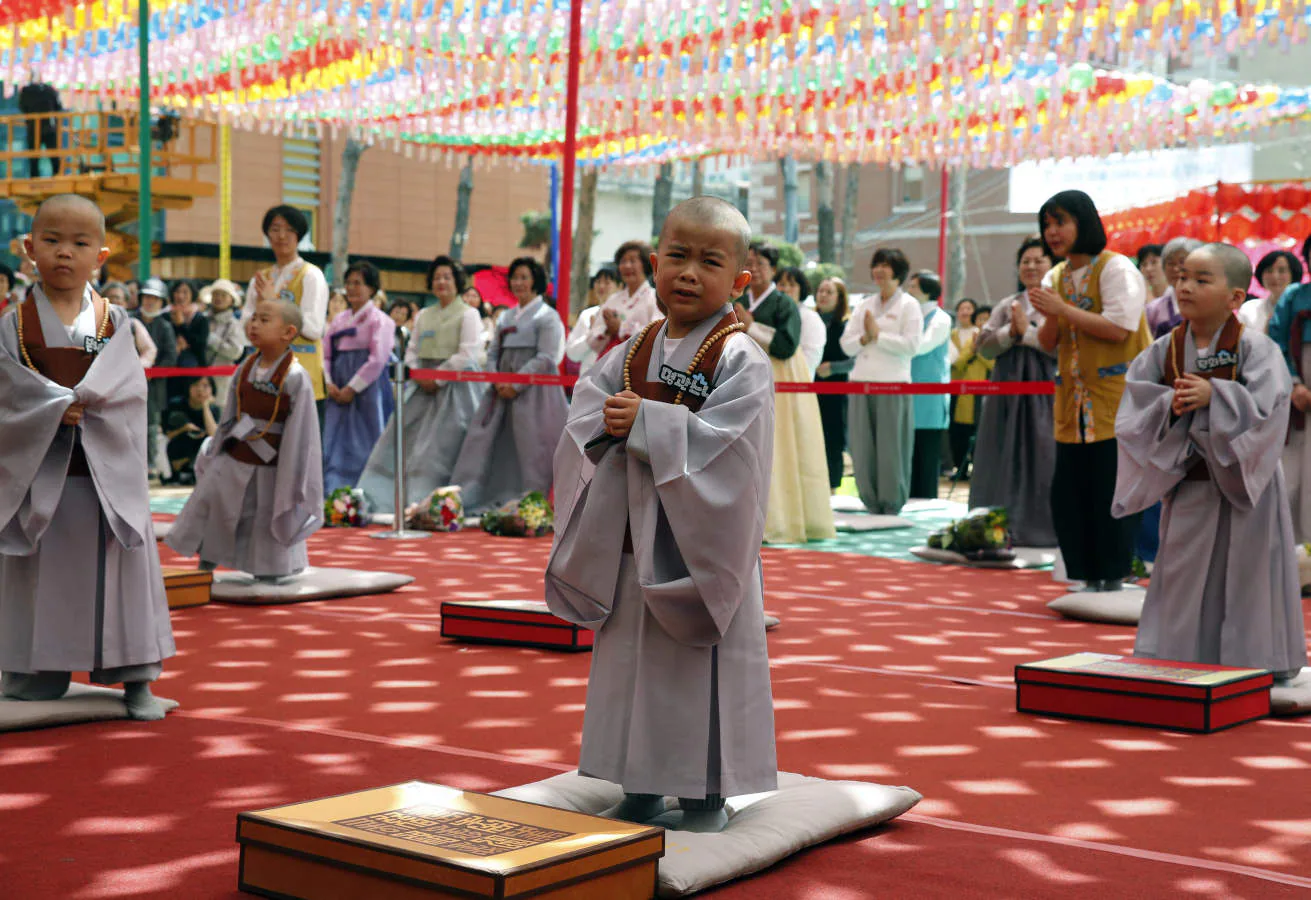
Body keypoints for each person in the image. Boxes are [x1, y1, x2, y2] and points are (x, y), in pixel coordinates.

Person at [545, 196, 776, 833]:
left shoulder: (740, 358)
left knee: (695, 667)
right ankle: (639, 786)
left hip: (701, 549)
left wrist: (647, 421)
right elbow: (585, 412)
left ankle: (705, 796)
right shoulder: (633, 348)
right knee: (629, 665)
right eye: (677, 255)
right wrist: (615, 423)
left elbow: (732, 450)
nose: (689, 272)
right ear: (654, 262)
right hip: (632, 537)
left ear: (741, 278)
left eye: (710, 261)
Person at [0, 194, 174, 719]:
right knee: (36, 572)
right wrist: (52, 409)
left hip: (103, 472)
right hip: (40, 467)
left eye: (79, 243)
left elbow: (128, 390)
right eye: (51, 241)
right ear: (29, 249)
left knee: (117, 575)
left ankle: (135, 679)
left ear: (101, 255)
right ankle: (36, 672)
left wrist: (88, 408)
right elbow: (9, 391)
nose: (63, 254)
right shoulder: (13, 323)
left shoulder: (113, 319)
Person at [1114, 243, 1305, 680]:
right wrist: (1172, 405)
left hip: (1245, 483)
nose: (1185, 286)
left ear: (1236, 297)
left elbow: (1270, 410)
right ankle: (1178, 656)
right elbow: (1135, 407)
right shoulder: (1164, 350)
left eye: (1202, 280)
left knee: (1248, 573)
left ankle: (1256, 661)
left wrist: (1215, 395)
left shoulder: (1258, 350)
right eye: (1182, 277)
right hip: (1191, 482)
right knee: (1182, 572)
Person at [1030, 190, 1150, 592]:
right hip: (1072, 405)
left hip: (1116, 402)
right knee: (1070, 492)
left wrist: (1062, 310)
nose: (1052, 232)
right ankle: (1084, 575)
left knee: (1109, 490)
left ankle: (1115, 574)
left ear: (1084, 223)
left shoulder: (1117, 269)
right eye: (1047, 224)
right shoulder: (1055, 277)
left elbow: (1120, 328)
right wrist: (1049, 316)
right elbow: (1048, 341)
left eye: (1060, 221)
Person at [166, 298, 323, 580]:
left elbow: (302, 432)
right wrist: (216, 448)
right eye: (254, 318)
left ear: (288, 333)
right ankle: (208, 560)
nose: (254, 324)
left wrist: (291, 470)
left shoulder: (296, 377)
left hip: (271, 463)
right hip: (235, 453)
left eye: (264, 320)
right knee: (216, 504)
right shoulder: (244, 369)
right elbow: (230, 414)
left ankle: (269, 569)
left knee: (262, 517)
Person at [358, 256, 485, 508]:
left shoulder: (469, 314)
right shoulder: (424, 314)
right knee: (404, 441)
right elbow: (412, 350)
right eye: (437, 277)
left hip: (454, 389)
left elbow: (468, 352)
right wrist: (419, 372)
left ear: (457, 282)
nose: (441, 282)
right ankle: (391, 498)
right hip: (421, 388)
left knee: (442, 447)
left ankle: (440, 503)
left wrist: (438, 377)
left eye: (447, 277)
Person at [450, 257, 567, 514]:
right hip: (501, 391)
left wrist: (516, 383)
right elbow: (493, 353)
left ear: (536, 281)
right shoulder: (505, 318)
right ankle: (492, 495)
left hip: (536, 392)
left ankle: (533, 501)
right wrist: (496, 378)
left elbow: (547, 356)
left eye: (525, 277)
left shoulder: (548, 317)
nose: (519, 283)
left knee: (534, 445)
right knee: (492, 444)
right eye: (515, 278)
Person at [738, 244, 834, 543]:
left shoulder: (783, 304)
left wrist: (753, 327)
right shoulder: (736, 300)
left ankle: (778, 520)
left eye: (760, 263)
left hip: (778, 377)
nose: (754, 269)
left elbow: (786, 345)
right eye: (749, 263)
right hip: (740, 377)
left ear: (773, 269)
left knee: (779, 446)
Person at [970, 236, 1058, 547]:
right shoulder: (1007, 304)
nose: (1032, 266)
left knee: (1044, 455)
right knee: (999, 451)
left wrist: (1029, 334)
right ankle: (993, 524)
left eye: (1039, 260)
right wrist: (1011, 331)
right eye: (1026, 261)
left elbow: (1066, 348)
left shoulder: (1061, 302)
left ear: (1052, 265)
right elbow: (984, 346)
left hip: (1046, 391)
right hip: (1005, 391)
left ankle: (1041, 527)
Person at [841, 248, 922, 513]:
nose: (879, 270)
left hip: (892, 383)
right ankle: (869, 500)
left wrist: (878, 336)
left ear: (897, 272)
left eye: (885, 265)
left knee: (891, 446)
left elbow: (911, 345)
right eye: (877, 265)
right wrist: (864, 339)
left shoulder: (909, 305)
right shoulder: (864, 304)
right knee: (862, 445)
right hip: (860, 381)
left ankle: (891, 502)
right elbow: (846, 344)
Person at [246, 205, 329, 420]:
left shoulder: (311, 275)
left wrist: (273, 301)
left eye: (289, 230)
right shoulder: (261, 278)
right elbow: (245, 327)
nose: (281, 236)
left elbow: (313, 328)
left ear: (299, 235)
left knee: (304, 447)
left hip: (303, 375)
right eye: (275, 229)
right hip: (265, 377)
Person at [322, 261, 396, 496]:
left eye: (358, 283)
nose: (352, 288)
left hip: (368, 389)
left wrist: (352, 388)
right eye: (348, 283)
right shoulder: (338, 320)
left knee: (368, 437)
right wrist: (329, 383)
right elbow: (324, 354)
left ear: (372, 289)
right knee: (334, 438)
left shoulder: (381, 320)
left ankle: (368, 491)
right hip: (337, 385)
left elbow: (378, 359)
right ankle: (332, 489)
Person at [1266, 236, 1311, 543]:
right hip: (1298, 399)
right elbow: (1276, 341)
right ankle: (1295, 558)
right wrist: (1295, 383)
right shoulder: (1295, 296)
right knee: (1292, 477)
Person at [906, 271, 952, 499]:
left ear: (927, 290)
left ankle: (925, 500)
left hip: (929, 394)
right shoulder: (911, 316)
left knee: (926, 453)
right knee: (909, 454)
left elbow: (922, 346)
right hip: (908, 392)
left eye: (914, 287)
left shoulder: (940, 318)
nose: (909, 291)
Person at [586, 241, 660, 361]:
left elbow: (657, 337)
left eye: (632, 261)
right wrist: (606, 330)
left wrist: (622, 328)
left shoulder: (655, 299)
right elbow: (592, 342)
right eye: (623, 261)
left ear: (645, 265)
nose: (626, 266)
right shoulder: (613, 300)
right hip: (609, 365)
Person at [814, 277, 853, 491]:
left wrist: (833, 368)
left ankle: (832, 488)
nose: (823, 295)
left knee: (832, 439)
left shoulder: (845, 325)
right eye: (821, 290)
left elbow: (855, 360)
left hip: (835, 392)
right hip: (809, 387)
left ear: (839, 298)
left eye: (829, 292)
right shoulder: (809, 320)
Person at [948, 300, 994, 477]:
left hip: (986, 393)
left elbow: (994, 365)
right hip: (965, 394)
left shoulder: (997, 341)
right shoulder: (971, 340)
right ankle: (960, 468)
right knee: (960, 432)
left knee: (983, 433)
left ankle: (981, 471)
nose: (983, 323)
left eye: (986, 319)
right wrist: (972, 350)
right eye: (980, 319)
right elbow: (958, 363)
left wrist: (980, 351)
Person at [138, 278, 177, 477]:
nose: (150, 302)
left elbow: (171, 356)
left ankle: (151, 467)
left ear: (162, 302)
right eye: (147, 297)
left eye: (155, 298)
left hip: (154, 387)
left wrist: (153, 373)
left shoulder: (165, 327)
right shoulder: (130, 320)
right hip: (126, 383)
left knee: (151, 427)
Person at [566, 266, 622, 378]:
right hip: (587, 379)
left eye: (607, 282)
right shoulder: (587, 315)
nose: (601, 286)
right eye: (598, 281)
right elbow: (572, 353)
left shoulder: (625, 316)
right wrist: (591, 334)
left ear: (620, 286)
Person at [164, 376, 221, 484]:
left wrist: (205, 406)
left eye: (205, 386)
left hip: (200, 452)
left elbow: (214, 435)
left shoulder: (214, 409)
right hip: (181, 447)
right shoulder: (177, 405)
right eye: (195, 385)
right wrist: (184, 428)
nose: (200, 389)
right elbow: (169, 435)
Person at [1143, 237, 1202, 339]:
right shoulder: (1153, 309)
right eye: (1170, 263)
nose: (1175, 268)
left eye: (1182, 262)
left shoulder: (1210, 301)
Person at [201, 278, 247, 404]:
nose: (218, 298)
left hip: (222, 380)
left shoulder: (234, 324)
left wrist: (212, 339)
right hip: (199, 378)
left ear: (231, 300)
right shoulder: (202, 318)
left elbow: (236, 352)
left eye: (223, 295)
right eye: (216, 294)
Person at [775, 265, 825, 376]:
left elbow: (811, 360)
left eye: (792, 285)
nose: (786, 289)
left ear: (801, 289)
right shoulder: (771, 314)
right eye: (782, 284)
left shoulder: (811, 318)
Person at [1239, 249, 1303, 334]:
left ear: (1293, 274)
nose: (1275, 276)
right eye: (1269, 271)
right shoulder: (1249, 309)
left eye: (1282, 271)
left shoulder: (1304, 309)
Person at [168, 278, 209, 403]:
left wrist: (181, 325)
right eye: (177, 291)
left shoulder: (200, 319)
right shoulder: (166, 316)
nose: (181, 296)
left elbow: (200, 345)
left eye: (185, 292)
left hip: (194, 373)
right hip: (170, 372)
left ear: (192, 295)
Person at [103, 280, 157, 368]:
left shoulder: (133, 324)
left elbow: (149, 350)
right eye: (110, 299)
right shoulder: (95, 323)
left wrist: (138, 366)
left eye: (118, 299)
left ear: (126, 303)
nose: (114, 303)